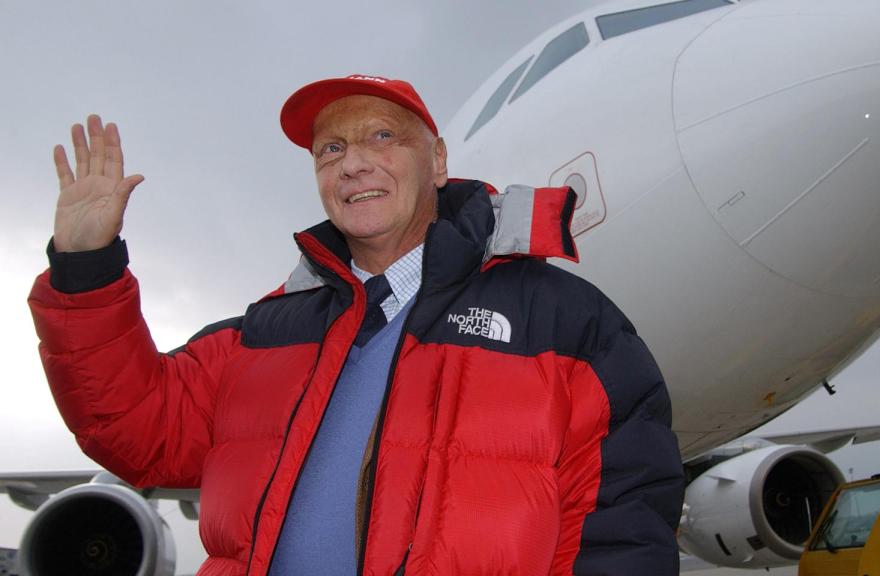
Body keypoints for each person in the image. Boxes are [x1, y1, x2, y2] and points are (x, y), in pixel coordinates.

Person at [29, 75, 685, 575]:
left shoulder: (569, 323)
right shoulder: (265, 332)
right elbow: (134, 428)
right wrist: (85, 266)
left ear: (437, 162)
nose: (352, 163)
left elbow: (624, 530)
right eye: (331, 149)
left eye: (381, 137)